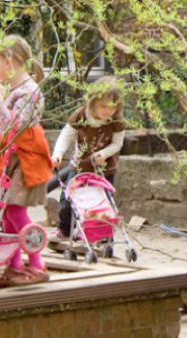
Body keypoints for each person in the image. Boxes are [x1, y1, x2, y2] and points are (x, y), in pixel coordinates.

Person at [0, 35, 52, 284]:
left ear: (8, 62)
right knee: (7, 212)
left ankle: (37, 266)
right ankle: (15, 266)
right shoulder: (11, 90)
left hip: (25, 161)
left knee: (16, 211)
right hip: (9, 160)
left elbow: (14, 129)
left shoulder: (30, 91)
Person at [49, 75, 126, 240]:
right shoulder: (81, 115)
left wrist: (105, 153)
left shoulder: (116, 120)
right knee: (68, 198)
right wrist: (58, 154)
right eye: (103, 106)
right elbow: (66, 136)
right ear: (92, 102)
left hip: (104, 168)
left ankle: (102, 233)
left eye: (112, 107)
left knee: (101, 202)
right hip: (80, 166)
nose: (107, 111)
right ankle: (64, 229)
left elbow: (117, 143)